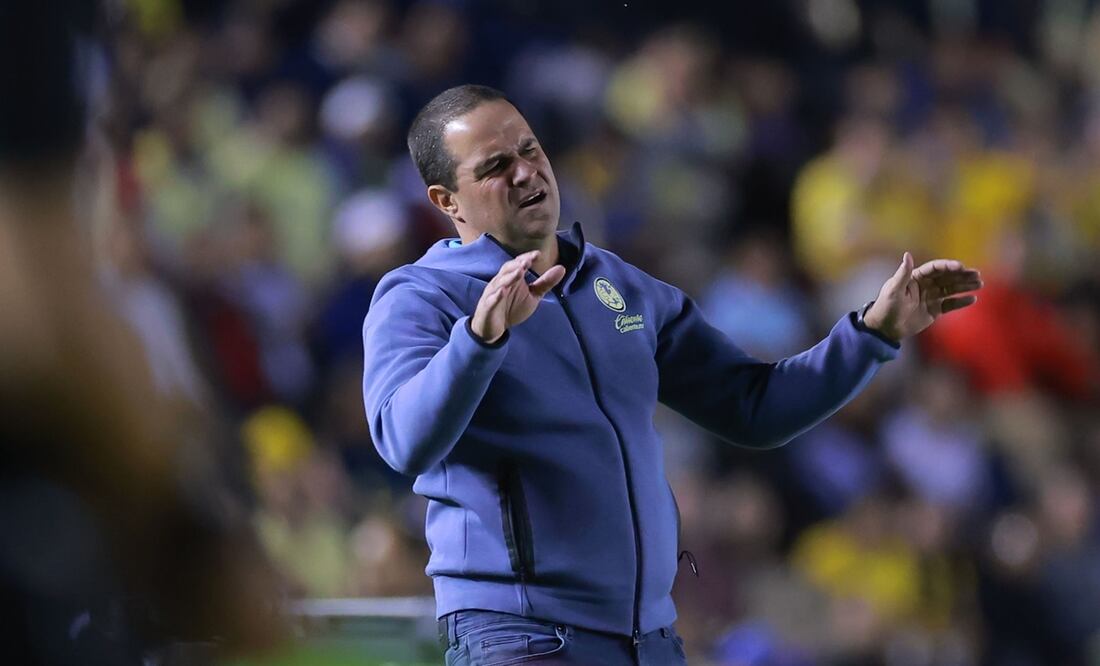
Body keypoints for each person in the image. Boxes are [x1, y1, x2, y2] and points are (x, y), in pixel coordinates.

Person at [361, 84, 982, 665]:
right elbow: (403, 439)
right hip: (519, 636)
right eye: (495, 166)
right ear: (446, 201)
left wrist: (873, 331)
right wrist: (479, 339)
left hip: (648, 639)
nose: (526, 171)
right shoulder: (419, 297)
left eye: (530, 149)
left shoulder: (624, 287)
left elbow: (753, 408)